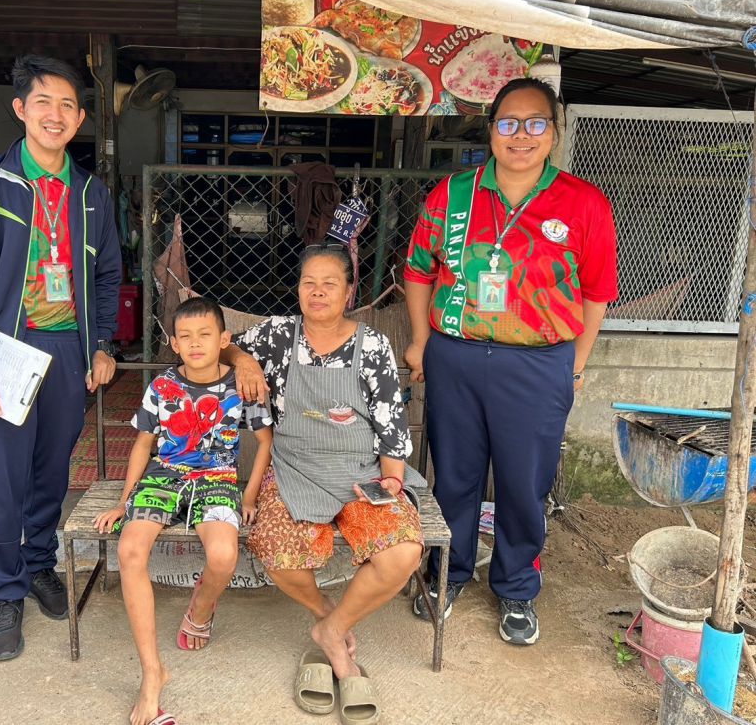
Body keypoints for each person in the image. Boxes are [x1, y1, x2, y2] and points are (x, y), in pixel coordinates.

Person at [403, 77, 618, 645]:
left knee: (524, 483)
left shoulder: (584, 203)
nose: (521, 135)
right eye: (508, 123)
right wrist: (421, 341)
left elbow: (597, 291)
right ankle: (448, 572)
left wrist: (576, 363)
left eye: (535, 123)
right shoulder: (452, 194)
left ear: (554, 132)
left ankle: (517, 586)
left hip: (539, 363)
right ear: (491, 130)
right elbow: (419, 270)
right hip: (456, 356)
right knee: (454, 476)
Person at [0, 55, 120, 661]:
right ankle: (5, 589)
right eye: (43, 102)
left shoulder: (90, 193)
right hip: (4, 351)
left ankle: (40, 562)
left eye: (68, 105)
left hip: (68, 351)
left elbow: (107, 275)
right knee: (2, 475)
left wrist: (102, 344)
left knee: (52, 469)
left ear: (80, 119)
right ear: (20, 109)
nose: (56, 114)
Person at [225, 244, 425, 721]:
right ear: (298, 289)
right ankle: (327, 615)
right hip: (294, 470)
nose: (317, 292)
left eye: (329, 284)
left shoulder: (372, 344)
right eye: (308, 283)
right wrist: (243, 360)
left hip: (361, 471)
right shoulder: (277, 334)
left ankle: (331, 632)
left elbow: (391, 421)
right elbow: (223, 343)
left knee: (402, 553)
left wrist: (392, 480)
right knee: (276, 550)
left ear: (349, 292)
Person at [94, 296, 273, 725]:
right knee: (130, 550)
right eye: (186, 337)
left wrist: (249, 497)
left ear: (224, 339)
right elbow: (143, 445)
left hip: (217, 480)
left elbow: (266, 443)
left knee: (224, 556)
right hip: (163, 478)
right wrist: (124, 501)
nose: (195, 344)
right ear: (173, 344)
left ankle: (201, 609)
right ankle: (152, 673)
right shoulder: (161, 387)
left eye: (205, 335)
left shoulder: (242, 386)